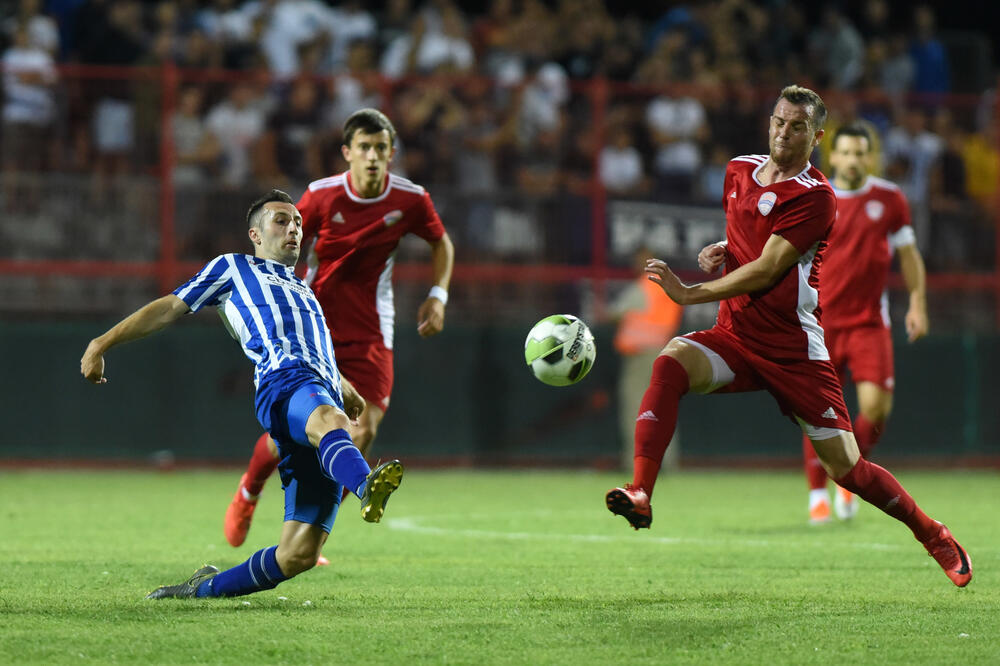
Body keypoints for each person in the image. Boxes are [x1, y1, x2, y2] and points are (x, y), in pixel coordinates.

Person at [604, 85, 971, 588]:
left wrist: (691, 293)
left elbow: (769, 268)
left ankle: (934, 534)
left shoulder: (817, 197)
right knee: (669, 362)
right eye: (778, 121)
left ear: (816, 137)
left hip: (795, 351)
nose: (783, 132)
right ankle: (641, 491)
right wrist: (722, 250)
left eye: (797, 126)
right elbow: (749, 239)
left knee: (849, 469)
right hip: (734, 337)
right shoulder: (737, 170)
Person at [80, 190, 404, 599]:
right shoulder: (233, 267)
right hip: (283, 384)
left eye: (299, 223)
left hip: (320, 391)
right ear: (254, 233)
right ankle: (365, 485)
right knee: (332, 422)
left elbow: (316, 351)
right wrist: (101, 343)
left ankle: (199, 591)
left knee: (298, 554)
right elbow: (168, 307)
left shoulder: (306, 291)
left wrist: (345, 386)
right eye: (281, 221)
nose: (294, 229)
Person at [223, 108, 454, 557]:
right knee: (295, 431)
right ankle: (251, 488)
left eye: (381, 149)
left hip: (371, 328)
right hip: (314, 327)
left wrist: (438, 296)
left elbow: (440, 241)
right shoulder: (321, 195)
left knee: (362, 430)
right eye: (364, 148)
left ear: (391, 154)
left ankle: (312, 531)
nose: (372, 157)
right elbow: (282, 240)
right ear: (347, 153)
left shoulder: (410, 199)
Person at [799, 123, 928, 524]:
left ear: (870, 157)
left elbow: (908, 254)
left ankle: (849, 477)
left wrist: (918, 302)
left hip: (870, 323)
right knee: (818, 413)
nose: (854, 160)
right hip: (818, 323)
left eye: (861, 153)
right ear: (832, 156)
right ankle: (817, 492)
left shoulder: (889, 197)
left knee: (876, 408)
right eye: (847, 153)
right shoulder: (814, 196)